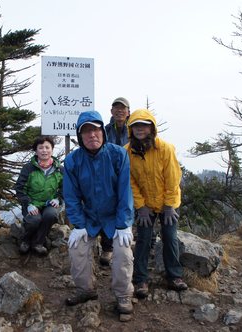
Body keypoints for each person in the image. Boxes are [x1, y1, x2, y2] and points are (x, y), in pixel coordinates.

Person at [63, 110, 135, 315]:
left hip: (115, 216)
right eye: (86, 132)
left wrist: (124, 223)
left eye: (95, 130)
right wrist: (79, 224)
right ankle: (85, 289)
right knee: (77, 248)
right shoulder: (72, 161)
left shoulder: (117, 154)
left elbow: (125, 192)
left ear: (102, 132)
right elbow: (71, 196)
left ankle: (123, 296)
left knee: (122, 251)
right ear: (80, 136)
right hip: (90, 216)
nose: (91, 135)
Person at [124, 108, 188, 299]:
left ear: (152, 128)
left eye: (144, 125)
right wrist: (141, 207)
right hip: (146, 204)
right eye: (135, 125)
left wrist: (169, 206)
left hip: (168, 202)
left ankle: (174, 276)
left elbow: (173, 178)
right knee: (143, 239)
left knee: (170, 236)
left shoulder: (165, 148)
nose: (139, 129)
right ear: (130, 129)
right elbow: (130, 181)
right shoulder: (128, 152)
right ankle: (141, 279)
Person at [14, 136, 63, 256]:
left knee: (50, 215)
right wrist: (29, 204)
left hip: (49, 203)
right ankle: (25, 240)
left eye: (47, 147)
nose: (44, 150)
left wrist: (58, 199)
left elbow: (65, 188)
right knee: (35, 220)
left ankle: (38, 243)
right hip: (32, 203)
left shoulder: (59, 169)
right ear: (36, 151)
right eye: (40, 148)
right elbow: (19, 188)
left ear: (52, 149)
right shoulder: (28, 168)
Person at [98, 97, 131, 266]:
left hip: (131, 174)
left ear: (128, 112)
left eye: (123, 108)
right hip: (109, 175)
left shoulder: (134, 129)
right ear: (111, 112)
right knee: (107, 208)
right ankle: (107, 248)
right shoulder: (105, 130)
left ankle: (132, 246)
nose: (119, 111)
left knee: (133, 209)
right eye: (116, 108)